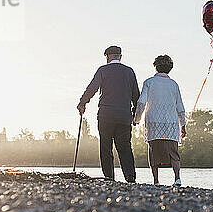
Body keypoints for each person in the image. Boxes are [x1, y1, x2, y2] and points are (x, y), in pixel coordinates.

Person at [78, 46, 139, 183]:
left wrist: (82, 103)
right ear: (120, 57)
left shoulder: (103, 70)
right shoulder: (129, 72)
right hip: (124, 116)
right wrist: (136, 114)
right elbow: (136, 95)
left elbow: (92, 88)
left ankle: (109, 178)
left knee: (106, 147)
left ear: (107, 57)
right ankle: (130, 177)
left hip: (106, 115)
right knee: (125, 147)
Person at [133, 55, 187, 186]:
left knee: (154, 151)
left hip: (153, 121)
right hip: (171, 122)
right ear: (170, 68)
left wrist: (137, 119)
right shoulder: (174, 84)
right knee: (173, 151)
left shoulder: (149, 82)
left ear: (156, 67)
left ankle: (156, 181)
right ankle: (177, 178)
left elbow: (141, 102)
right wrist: (183, 124)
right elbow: (180, 106)